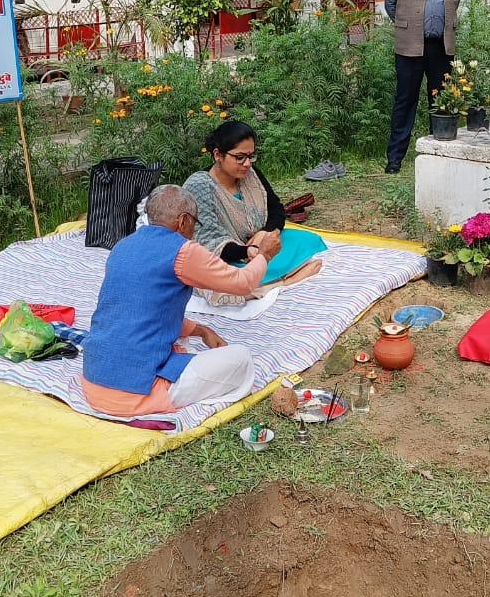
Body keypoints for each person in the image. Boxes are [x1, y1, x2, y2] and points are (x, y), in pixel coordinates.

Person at [81, 185, 264, 418]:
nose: (194, 230)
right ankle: (165, 390)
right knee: (241, 358)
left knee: (182, 344)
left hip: (94, 379)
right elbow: (242, 282)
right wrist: (264, 255)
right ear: (184, 221)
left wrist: (199, 329)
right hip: (134, 394)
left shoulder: (122, 246)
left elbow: (140, 307)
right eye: (195, 224)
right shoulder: (183, 250)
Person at [183, 121, 328, 287]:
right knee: (229, 277)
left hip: (259, 246)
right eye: (239, 157)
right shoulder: (200, 186)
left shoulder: (252, 174)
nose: (247, 163)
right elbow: (207, 243)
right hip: (228, 257)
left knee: (308, 240)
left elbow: (277, 210)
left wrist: (264, 233)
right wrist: (249, 250)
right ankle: (284, 281)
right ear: (218, 155)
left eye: (250, 156)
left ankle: (271, 276)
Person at [383, 0, 463, 174]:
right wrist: (412, 25)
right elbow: (391, 4)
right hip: (409, 46)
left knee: (440, 100)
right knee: (405, 101)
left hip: (441, 45)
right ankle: (394, 159)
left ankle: (438, 153)